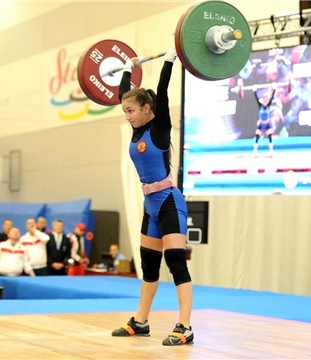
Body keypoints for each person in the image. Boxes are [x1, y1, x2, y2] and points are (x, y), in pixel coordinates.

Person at [111, 48, 194, 346]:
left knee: (176, 263)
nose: (128, 116)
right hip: (151, 206)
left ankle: (185, 326)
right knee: (148, 268)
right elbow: (125, 93)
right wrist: (127, 67)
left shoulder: (159, 128)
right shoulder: (135, 128)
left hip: (170, 202)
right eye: (125, 112)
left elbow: (162, 90)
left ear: (147, 108)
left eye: (131, 111)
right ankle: (141, 321)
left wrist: (170, 60)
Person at [253, 84, 277, 158]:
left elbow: (272, 97)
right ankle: (255, 153)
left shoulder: (268, 106)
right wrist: (254, 90)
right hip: (261, 124)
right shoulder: (260, 106)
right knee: (257, 137)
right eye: (264, 100)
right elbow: (256, 98)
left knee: (270, 137)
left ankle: (271, 153)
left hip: (267, 124)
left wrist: (274, 89)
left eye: (266, 100)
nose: (265, 101)